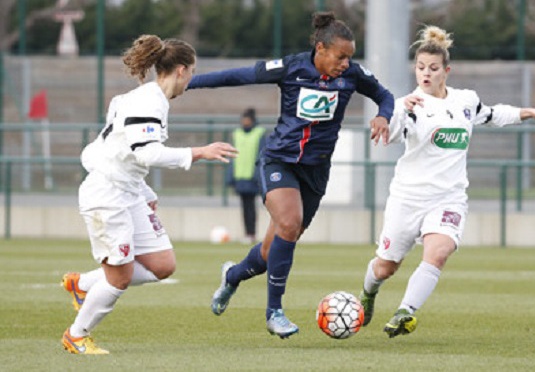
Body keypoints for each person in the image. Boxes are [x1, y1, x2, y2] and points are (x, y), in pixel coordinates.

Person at [187, 11, 394, 338]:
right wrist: (189, 83)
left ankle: (233, 276)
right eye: (340, 56)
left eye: (350, 57)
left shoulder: (353, 75)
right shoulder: (292, 67)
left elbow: (384, 95)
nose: (345, 63)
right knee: (288, 221)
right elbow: (240, 76)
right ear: (321, 49)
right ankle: (274, 312)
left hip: (316, 171)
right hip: (278, 161)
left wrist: (383, 115)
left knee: (273, 251)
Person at [358, 25, 535, 338]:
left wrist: (528, 112)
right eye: (420, 67)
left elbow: (491, 114)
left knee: (438, 252)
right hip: (407, 198)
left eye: (433, 68)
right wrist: (391, 119)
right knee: (386, 267)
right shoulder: (408, 105)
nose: (425, 74)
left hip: (448, 198)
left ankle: (405, 312)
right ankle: (368, 293)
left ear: (446, 71)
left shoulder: (465, 101)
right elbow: (394, 132)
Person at [60, 34, 237, 354]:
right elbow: (147, 154)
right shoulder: (148, 101)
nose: (191, 79)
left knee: (162, 265)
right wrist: (200, 152)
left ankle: (82, 284)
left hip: (127, 191)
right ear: (181, 70)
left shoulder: (147, 100)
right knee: (119, 278)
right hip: (107, 195)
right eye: (193, 72)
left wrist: (144, 190)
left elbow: (124, 151)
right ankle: (76, 335)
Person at [227, 108, 267, 243]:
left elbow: (261, 155)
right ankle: (247, 233)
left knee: (251, 206)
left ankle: (252, 233)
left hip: (252, 177)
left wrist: (258, 175)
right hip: (240, 176)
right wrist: (230, 176)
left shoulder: (259, 133)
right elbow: (231, 157)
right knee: (244, 206)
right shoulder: (236, 134)